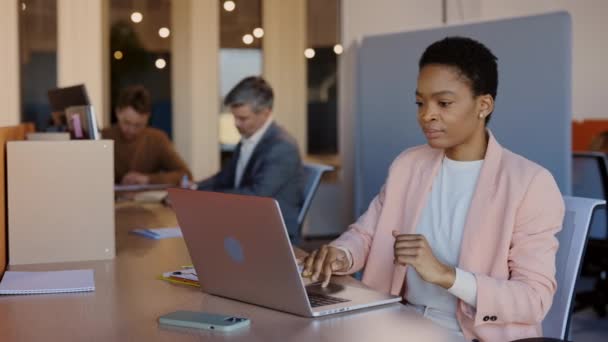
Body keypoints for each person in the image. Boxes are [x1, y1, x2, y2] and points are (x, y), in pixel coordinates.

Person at [301, 37, 564, 341]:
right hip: (398, 319)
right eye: (420, 102)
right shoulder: (409, 164)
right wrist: (341, 254)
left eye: (444, 103)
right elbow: (367, 233)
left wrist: (446, 275)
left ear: (483, 105)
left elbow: (534, 300)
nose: (427, 115)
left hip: (470, 333)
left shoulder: (529, 183)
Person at [197, 76, 303, 236]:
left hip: (272, 234)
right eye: (234, 117)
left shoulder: (282, 147)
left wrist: (204, 199)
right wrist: (194, 189)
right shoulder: (247, 139)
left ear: (266, 113)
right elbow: (223, 178)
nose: (236, 124)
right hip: (247, 223)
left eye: (243, 118)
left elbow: (255, 196)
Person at [102, 85, 192, 185]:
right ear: (117, 112)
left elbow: (186, 175)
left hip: (145, 200)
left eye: (138, 125)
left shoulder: (157, 139)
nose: (132, 130)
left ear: (148, 118)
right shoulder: (103, 137)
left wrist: (148, 179)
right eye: (126, 122)